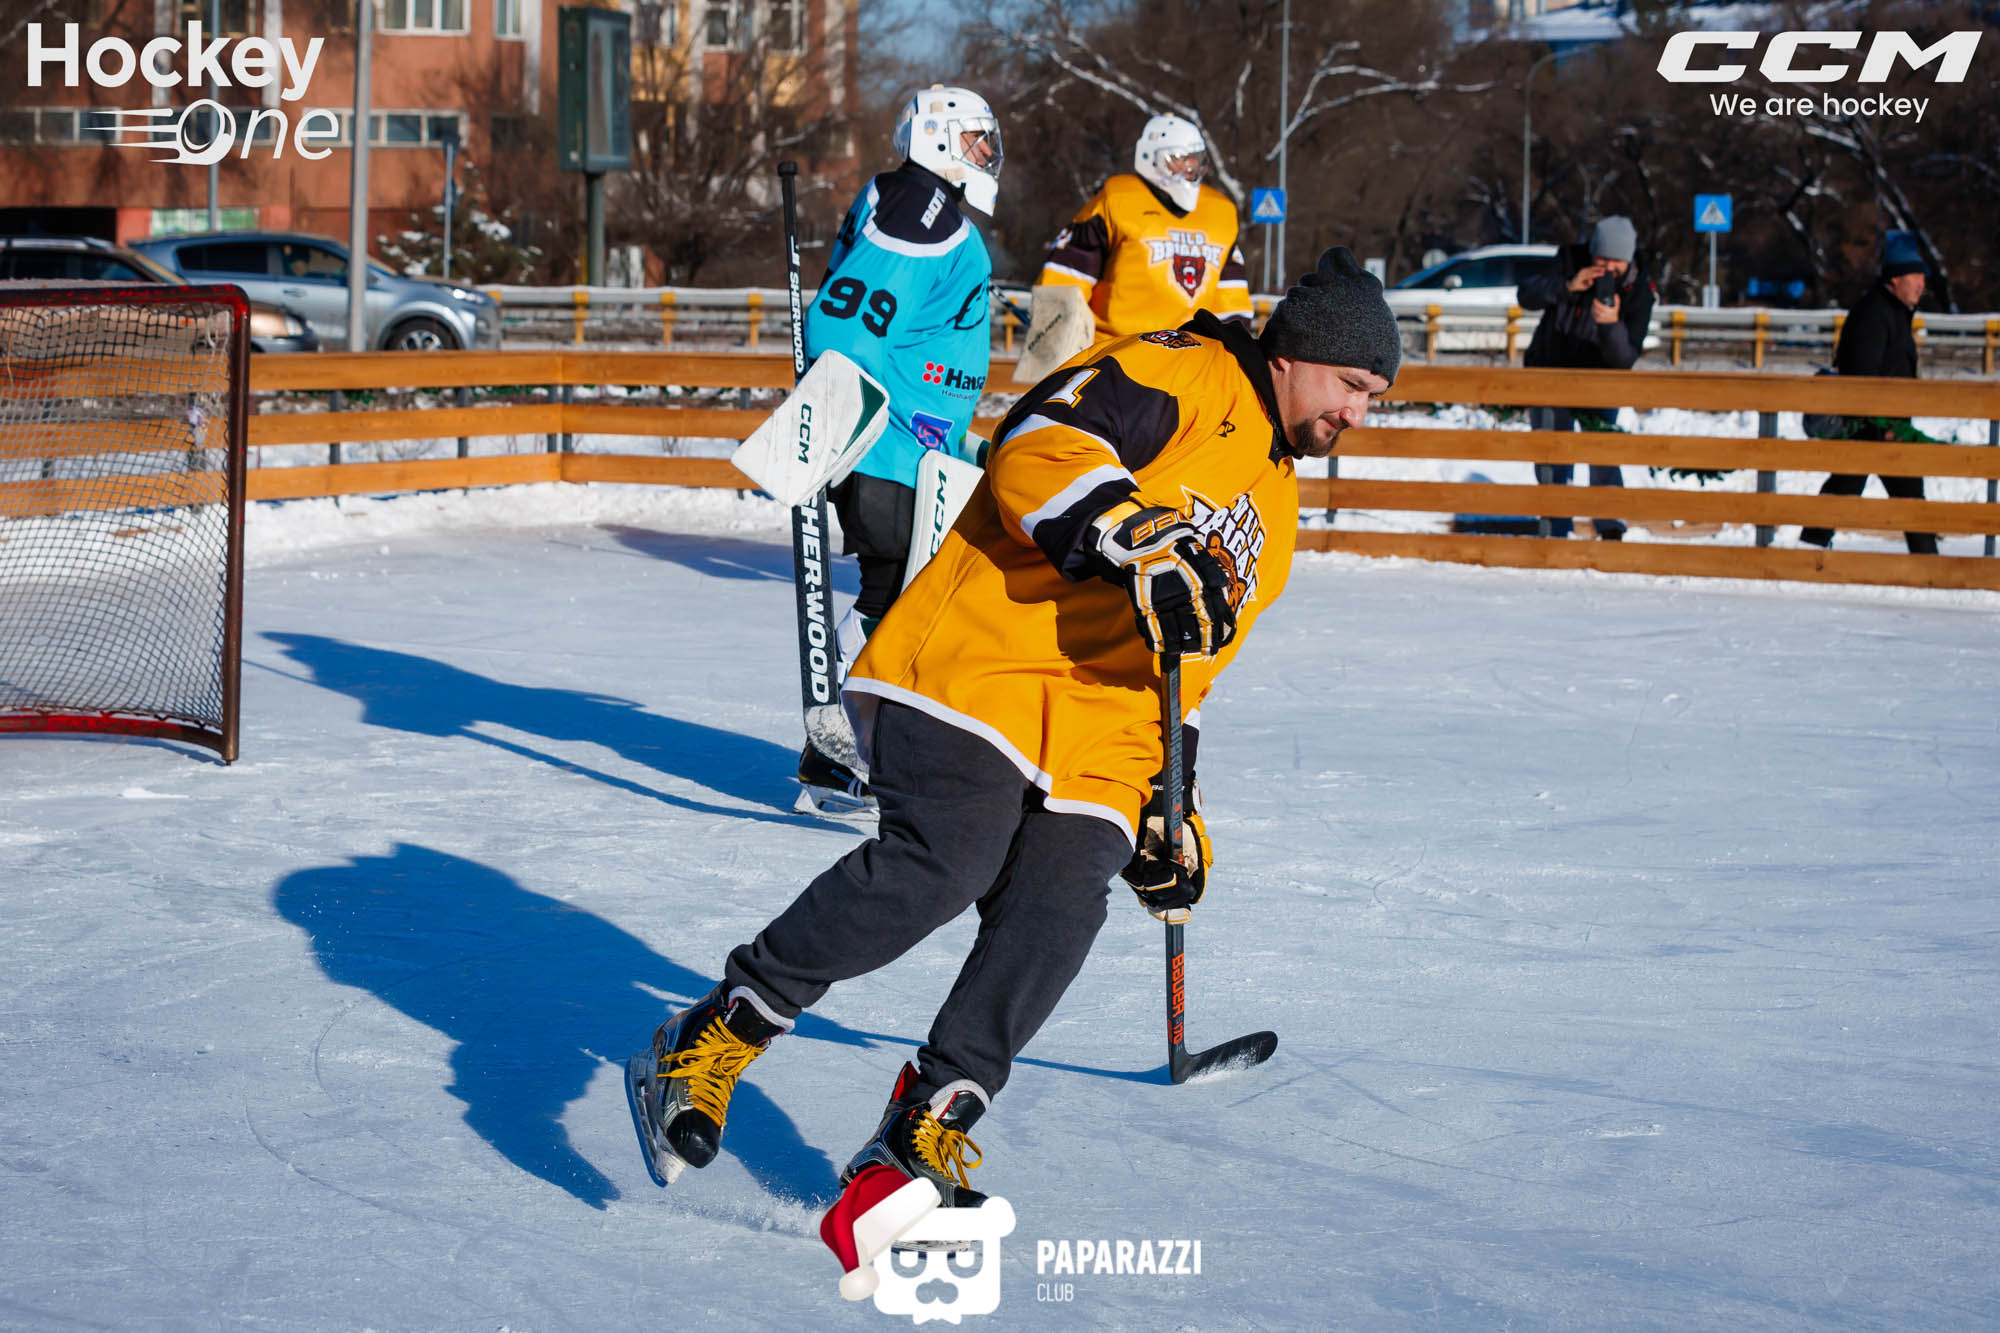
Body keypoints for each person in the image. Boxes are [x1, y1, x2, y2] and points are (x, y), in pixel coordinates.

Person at [628, 247, 1401, 1212]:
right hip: (988, 658)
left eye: (1374, 397)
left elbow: (1192, 665)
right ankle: (716, 1032)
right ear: (1292, 353)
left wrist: (1171, 801)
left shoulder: (1278, 511)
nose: (1357, 413)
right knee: (946, 859)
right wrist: (1133, 536)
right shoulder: (1184, 371)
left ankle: (924, 1124)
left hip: (1105, 730)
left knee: (1061, 903)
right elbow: (1037, 440)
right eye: (1350, 384)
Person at [796, 84, 1003, 805]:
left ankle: (849, 751)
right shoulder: (924, 206)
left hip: (917, 449)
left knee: (906, 599)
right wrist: (851, 418)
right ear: (938, 137)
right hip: (892, 451)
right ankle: (844, 741)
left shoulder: (922, 204)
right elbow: (843, 326)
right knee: (900, 600)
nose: (986, 154)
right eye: (975, 139)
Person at [1036, 113, 1254, 350]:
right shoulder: (1117, 200)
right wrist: (1054, 341)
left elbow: (1231, 299)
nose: (1190, 168)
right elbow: (1065, 281)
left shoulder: (1220, 212)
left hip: (1187, 354)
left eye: (1195, 160)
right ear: (1152, 156)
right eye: (1180, 159)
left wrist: (1234, 349)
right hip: (1115, 352)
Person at [1516, 215, 1657, 541]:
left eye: (1615, 262)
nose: (1607, 268)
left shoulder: (1640, 291)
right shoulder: (1568, 261)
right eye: (1601, 259)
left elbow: (1624, 359)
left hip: (1601, 383)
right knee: (1552, 456)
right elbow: (1526, 295)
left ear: (1629, 258)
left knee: (1602, 453)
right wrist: (1566, 286)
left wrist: (1610, 325)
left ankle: (1611, 530)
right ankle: (1555, 530)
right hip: (1551, 374)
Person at [1798, 232, 1938, 555]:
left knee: (1851, 488)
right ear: (1895, 279)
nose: (1922, 285)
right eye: (1915, 277)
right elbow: (1863, 376)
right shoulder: (1874, 315)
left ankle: (1809, 549)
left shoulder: (1894, 313)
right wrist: (1882, 426)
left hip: (1885, 427)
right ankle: (1929, 564)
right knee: (1905, 499)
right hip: (1876, 428)